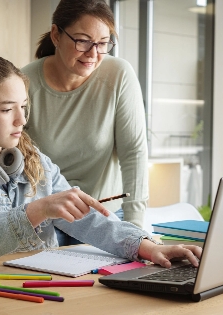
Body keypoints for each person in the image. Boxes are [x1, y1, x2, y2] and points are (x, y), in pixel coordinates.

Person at [0, 54, 201, 268]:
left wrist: (148, 247)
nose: (22, 120)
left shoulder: (35, 159)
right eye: (7, 109)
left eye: (23, 107)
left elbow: (87, 220)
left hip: (42, 290)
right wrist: (36, 211)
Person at [22, 0, 148, 245]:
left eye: (103, 43)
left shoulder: (118, 75)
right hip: (49, 223)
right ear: (56, 35)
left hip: (107, 217)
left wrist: (135, 229)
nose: (93, 54)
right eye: (82, 41)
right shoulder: (24, 83)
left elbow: (133, 153)